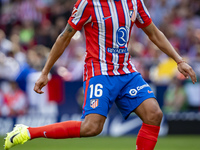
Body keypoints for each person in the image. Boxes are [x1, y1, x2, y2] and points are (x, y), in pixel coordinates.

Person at [4, 0, 197, 150]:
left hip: (126, 70)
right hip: (99, 72)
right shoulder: (87, 4)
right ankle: (28, 132)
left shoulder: (133, 2)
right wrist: (45, 72)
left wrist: (179, 60)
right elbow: (64, 37)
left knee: (154, 114)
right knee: (92, 127)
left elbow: (153, 32)